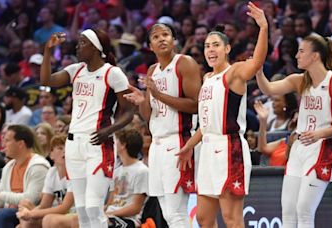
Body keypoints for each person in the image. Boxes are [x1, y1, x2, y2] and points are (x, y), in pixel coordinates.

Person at [176, 2, 268, 227]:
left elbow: (256, 62)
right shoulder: (207, 79)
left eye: (216, 45)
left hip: (229, 148)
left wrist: (264, 28)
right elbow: (206, 124)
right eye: (207, 46)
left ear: (227, 49)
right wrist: (189, 146)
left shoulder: (234, 72)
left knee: (231, 218)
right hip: (207, 149)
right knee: (203, 218)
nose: (210, 50)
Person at [40, 28, 134, 228]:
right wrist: (47, 51)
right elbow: (46, 80)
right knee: (81, 210)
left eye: (82, 42)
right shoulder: (76, 70)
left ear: (96, 48)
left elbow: (128, 112)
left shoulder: (112, 73)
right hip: (74, 144)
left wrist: (109, 130)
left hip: (98, 143)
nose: (77, 46)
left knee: (93, 207)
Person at [255, 34, 332, 228]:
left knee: (304, 211)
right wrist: (258, 71)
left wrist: (319, 133)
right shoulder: (299, 80)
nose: (296, 55)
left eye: (301, 51)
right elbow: (268, 89)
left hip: (323, 147)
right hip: (299, 148)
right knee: (288, 212)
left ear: (315, 56)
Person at [124, 22, 202, 227]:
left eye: (165, 34)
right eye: (156, 37)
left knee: (176, 212)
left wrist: (158, 94)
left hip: (178, 141)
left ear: (174, 40)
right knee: (167, 212)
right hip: (157, 145)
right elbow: (149, 116)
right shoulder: (152, 70)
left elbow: (196, 105)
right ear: (150, 45)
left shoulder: (185, 63)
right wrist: (143, 101)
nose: (161, 39)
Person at [0, 124, 50, 228]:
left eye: (7, 140)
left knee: (4, 214)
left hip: (31, 214)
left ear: (20, 144)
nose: (3, 144)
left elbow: (31, 199)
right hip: (8, 213)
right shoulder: (9, 166)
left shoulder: (39, 166)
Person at [16, 134, 73, 228]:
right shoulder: (52, 172)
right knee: (24, 209)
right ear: (51, 155)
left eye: (67, 148)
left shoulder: (75, 173)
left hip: (74, 214)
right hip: (58, 213)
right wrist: (27, 215)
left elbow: (64, 208)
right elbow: (44, 205)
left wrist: (31, 214)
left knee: (48, 220)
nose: (65, 151)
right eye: (60, 148)